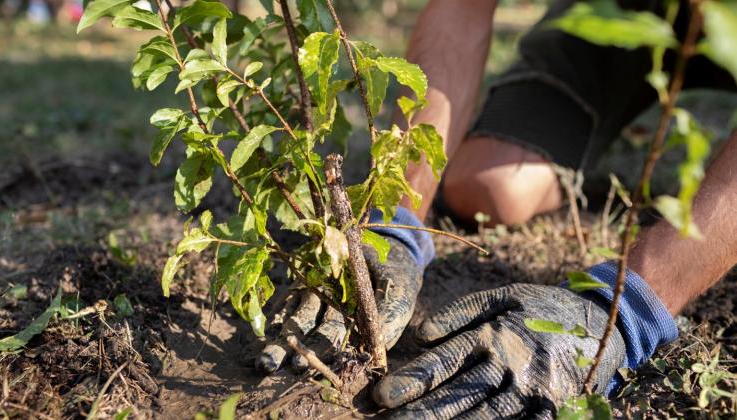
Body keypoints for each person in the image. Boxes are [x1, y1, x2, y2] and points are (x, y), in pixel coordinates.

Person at [256, 1, 737, 417]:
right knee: (489, 187)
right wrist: (395, 216)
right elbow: (461, 10)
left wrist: (628, 307)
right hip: (620, 15)